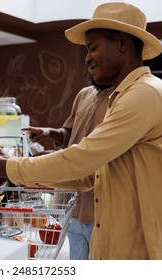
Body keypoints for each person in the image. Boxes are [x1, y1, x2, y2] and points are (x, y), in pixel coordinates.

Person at [0, 2, 162, 259]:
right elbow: (90, 175)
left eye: (93, 48)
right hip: (115, 244)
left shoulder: (145, 92)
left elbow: (82, 159)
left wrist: (7, 167)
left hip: (147, 249)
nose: (87, 58)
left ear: (123, 43)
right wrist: (10, 166)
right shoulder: (121, 96)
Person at [23, 81, 113, 260]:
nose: (89, 59)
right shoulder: (84, 94)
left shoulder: (124, 99)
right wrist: (49, 132)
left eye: (94, 51)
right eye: (88, 51)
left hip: (103, 214)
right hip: (74, 208)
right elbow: (70, 134)